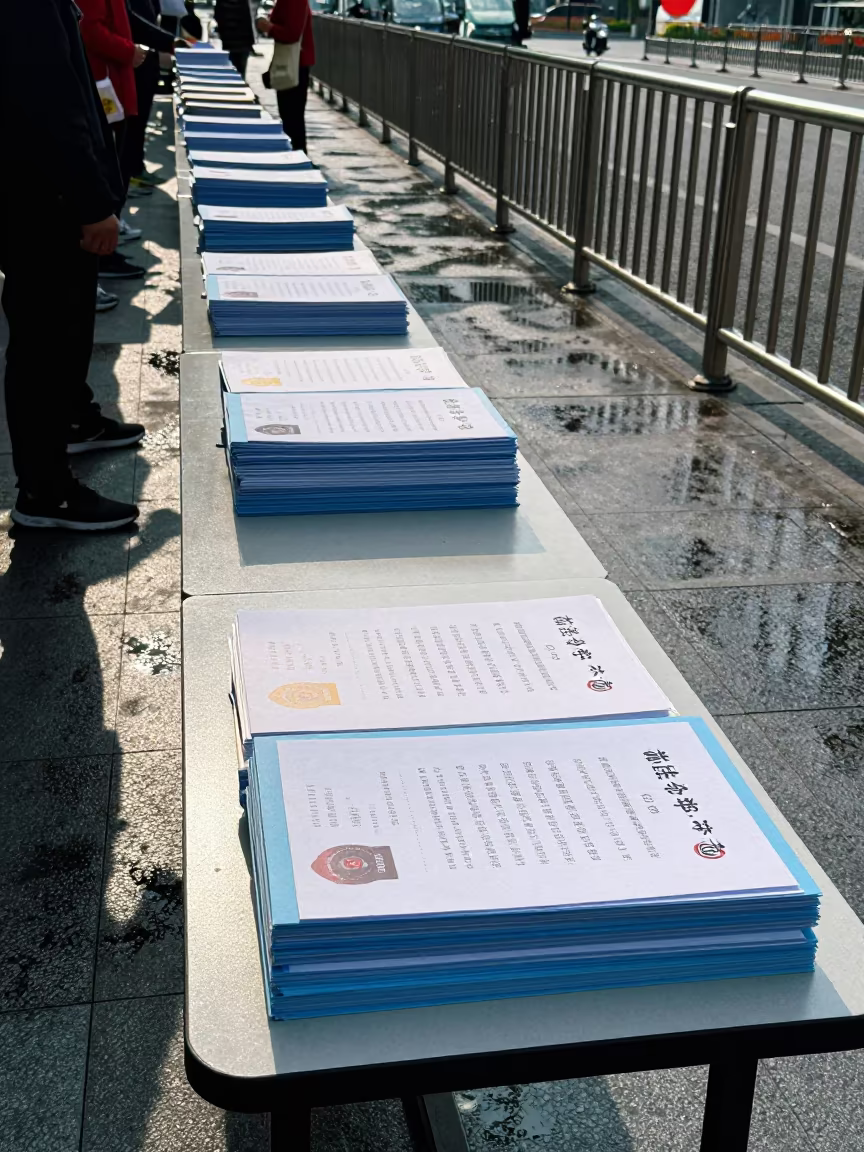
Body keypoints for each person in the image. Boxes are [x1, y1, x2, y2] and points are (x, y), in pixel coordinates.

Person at [0, 0, 143, 531]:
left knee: (57, 334)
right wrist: (91, 203)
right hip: (44, 202)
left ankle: (62, 442)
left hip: (42, 194)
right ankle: (45, 491)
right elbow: (52, 104)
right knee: (44, 341)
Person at [78, 0, 148, 278]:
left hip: (113, 85)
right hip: (105, 84)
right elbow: (90, 27)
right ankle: (102, 257)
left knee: (116, 168)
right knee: (106, 172)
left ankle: (108, 249)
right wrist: (128, 50)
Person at [125, 0, 179, 193]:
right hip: (133, 63)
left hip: (145, 59)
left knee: (137, 125)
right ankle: (132, 174)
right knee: (131, 125)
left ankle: (134, 170)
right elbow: (130, 22)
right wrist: (168, 42)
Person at [257, 0, 315, 154]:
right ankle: (296, 154)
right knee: (290, 115)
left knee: (292, 115)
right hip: (293, 60)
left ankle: (297, 155)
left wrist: (269, 27)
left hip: (295, 62)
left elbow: (292, 33)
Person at [214, 0, 256, 78]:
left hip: (229, 38)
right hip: (244, 39)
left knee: (232, 68)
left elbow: (217, 15)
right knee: (241, 70)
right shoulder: (245, 2)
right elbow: (250, 18)